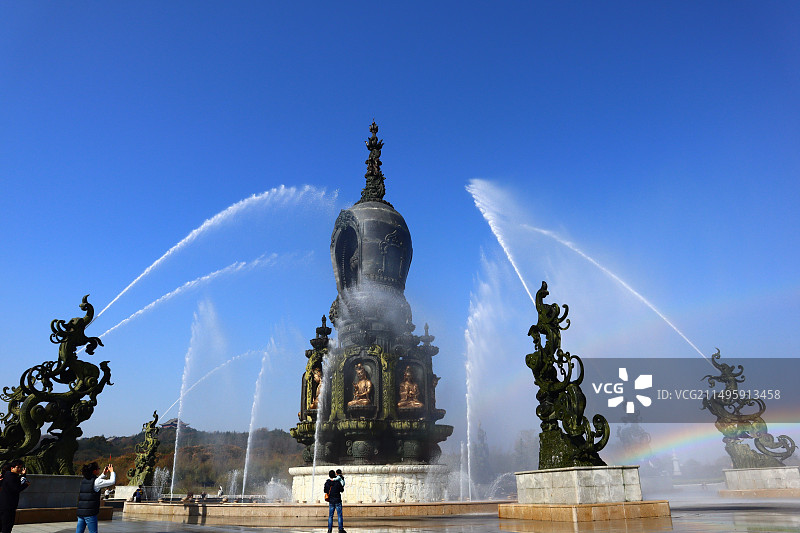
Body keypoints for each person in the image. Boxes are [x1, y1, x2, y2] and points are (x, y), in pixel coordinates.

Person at [76, 462, 116, 533]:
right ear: (94, 471)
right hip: (90, 513)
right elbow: (112, 481)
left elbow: (96, 481)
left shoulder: (84, 480)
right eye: (98, 468)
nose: (99, 470)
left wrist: (104, 474)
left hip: (81, 512)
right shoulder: (96, 481)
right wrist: (112, 472)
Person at [0, 460, 30, 533]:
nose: (20, 469)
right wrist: (26, 485)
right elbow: (16, 489)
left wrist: (23, 475)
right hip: (8, 506)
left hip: (6, 505)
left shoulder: (10, 476)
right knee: (7, 526)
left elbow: (19, 482)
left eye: (21, 467)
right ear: (12, 468)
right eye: (18, 467)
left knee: (4, 525)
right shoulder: (11, 477)